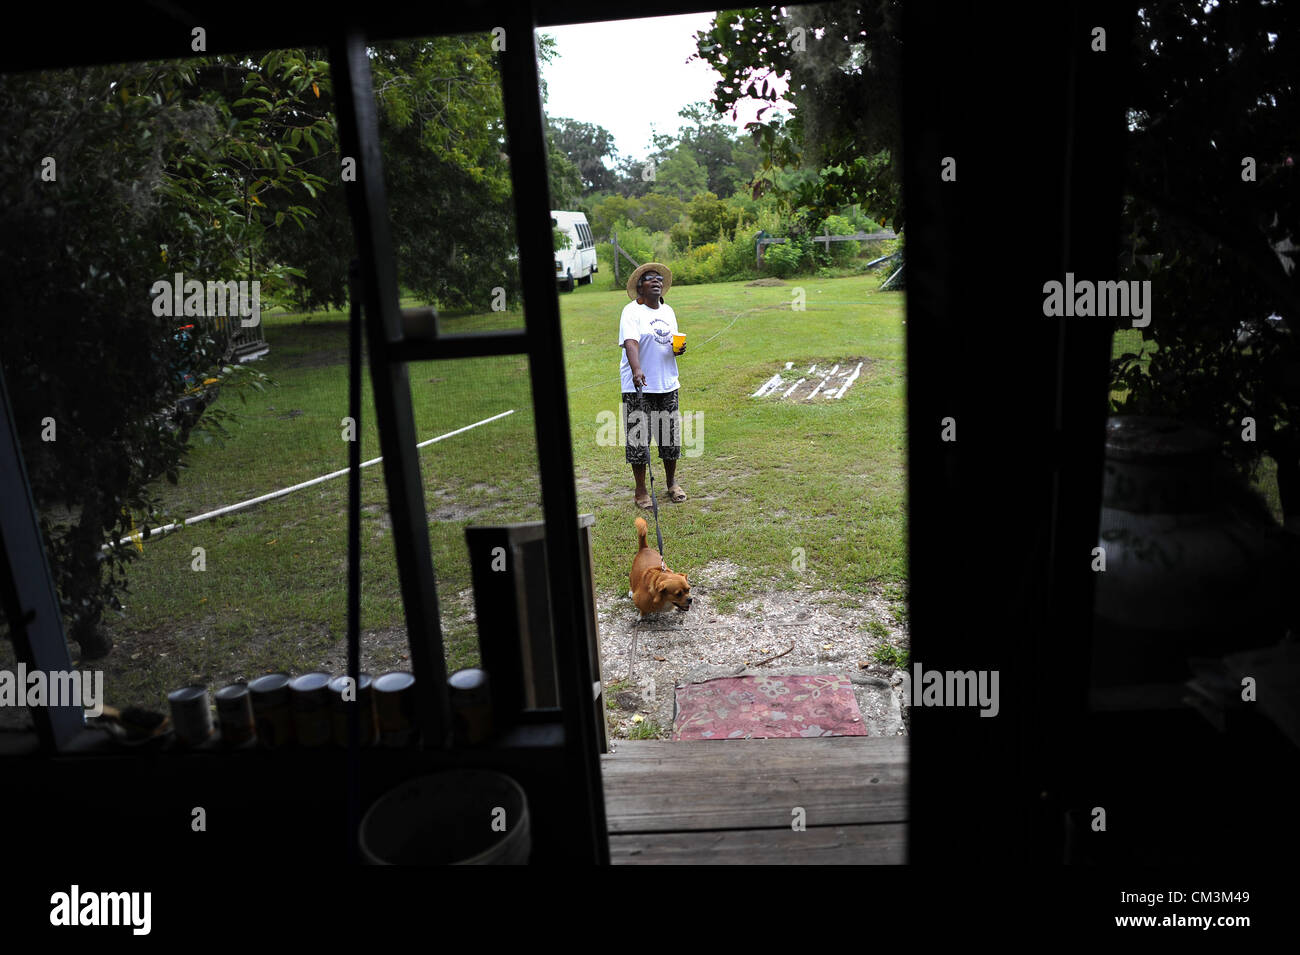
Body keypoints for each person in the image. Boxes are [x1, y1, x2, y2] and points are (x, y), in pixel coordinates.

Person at [619, 262, 687, 509]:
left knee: (669, 438)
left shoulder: (668, 312)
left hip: (667, 382)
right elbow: (630, 343)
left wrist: (678, 349)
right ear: (640, 287)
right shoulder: (631, 312)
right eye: (650, 278)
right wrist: (637, 369)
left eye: (659, 278)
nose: (656, 281)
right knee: (638, 440)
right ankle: (640, 490)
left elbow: (671, 341)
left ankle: (671, 483)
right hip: (638, 385)